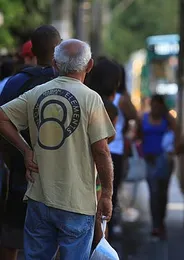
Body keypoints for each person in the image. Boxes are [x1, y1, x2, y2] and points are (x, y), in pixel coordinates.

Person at [0, 39, 115, 260]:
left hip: (39, 198)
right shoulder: (91, 99)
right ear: (89, 65)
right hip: (77, 203)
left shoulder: (36, 93)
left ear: (54, 63)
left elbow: (2, 117)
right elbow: (102, 151)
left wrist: (26, 150)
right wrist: (107, 195)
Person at [0, 25, 61, 260]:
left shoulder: (15, 83)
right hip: (59, 179)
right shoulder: (69, 84)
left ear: (32, 50)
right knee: (56, 240)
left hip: (21, 176)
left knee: (11, 240)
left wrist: (20, 155)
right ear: (59, 49)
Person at [86, 57, 121, 248]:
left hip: (79, 164)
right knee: (100, 221)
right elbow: (108, 139)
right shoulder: (110, 107)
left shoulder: (86, 97)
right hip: (97, 170)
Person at [138, 94, 176, 240]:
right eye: (152, 104)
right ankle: (156, 224)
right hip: (150, 160)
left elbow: (177, 134)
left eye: (157, 105)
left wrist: (174, 149)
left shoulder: (168, 119)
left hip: (164, 160)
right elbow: (139, 136)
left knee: (163, 192)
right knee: (154, 193)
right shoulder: (144, 119)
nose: (154, 107)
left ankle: (161, 222)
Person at [108, 64, 138, 238]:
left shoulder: (94, 94)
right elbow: (134, 115)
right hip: (116, 150)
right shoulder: (122, 99)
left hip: (97, 148)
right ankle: (108, 229)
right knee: (111, 191)